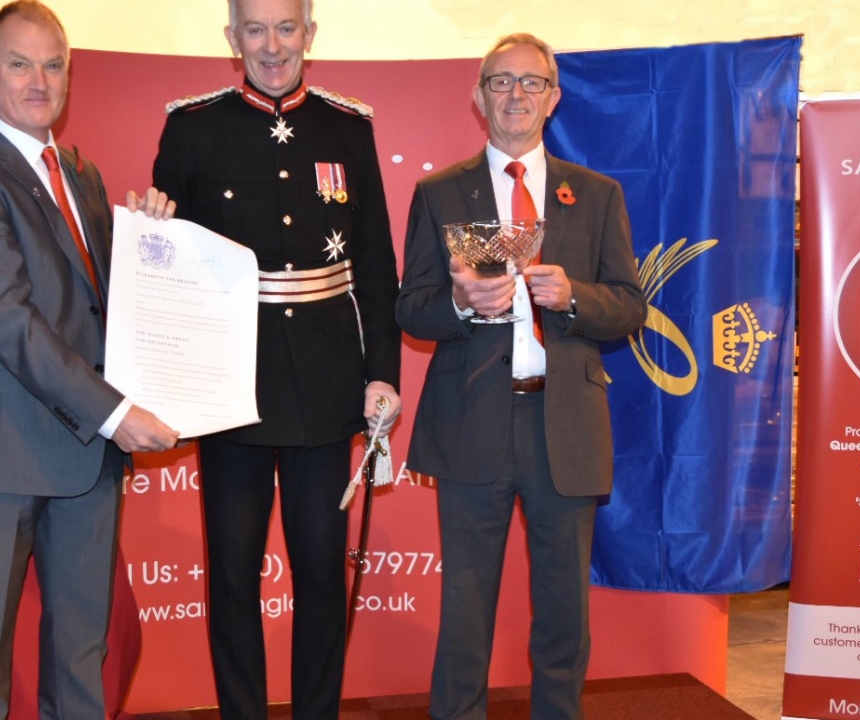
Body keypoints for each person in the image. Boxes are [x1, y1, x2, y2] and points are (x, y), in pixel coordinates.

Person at [0, 2, 178, 718]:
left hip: (85, 458)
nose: (39, 80)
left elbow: (101, 302)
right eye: (19, 62)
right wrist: (116, 413)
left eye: (53, 64)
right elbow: (11, 320)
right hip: (4, 453)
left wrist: (149, 245)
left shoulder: (82, 174)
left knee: (80, 656)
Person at [149, 1, 402, 718]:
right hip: (229, 383)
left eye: (286, 29)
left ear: (309, 37)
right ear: (233, 39)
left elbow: (375, 266)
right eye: (254, 30)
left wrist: (381, 370)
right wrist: (153, 234)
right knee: (232, 575)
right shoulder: (193, 128)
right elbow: (166, 266)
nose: (271, 45)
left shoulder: (346, 127)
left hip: (326, 385)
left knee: (323, 573)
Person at [395, 33, 647, 720]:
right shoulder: (440, 192)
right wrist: (457, 301)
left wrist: (573, 298)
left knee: (564, 614)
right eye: (501, 82)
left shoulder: (593, 196)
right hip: (473, 420)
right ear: (479, 98)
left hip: (562, 425)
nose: (516, 95)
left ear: (554, 98)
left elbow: (629, 306)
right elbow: (410, 307)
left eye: (531, 83)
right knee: (466, 613)